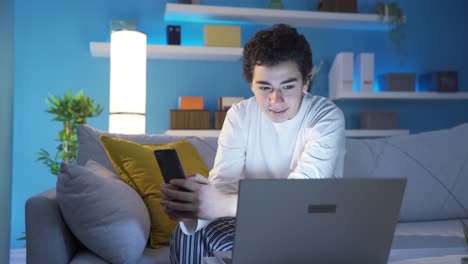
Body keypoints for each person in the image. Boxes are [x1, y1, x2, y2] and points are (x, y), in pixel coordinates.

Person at [160, 23, 346, 264]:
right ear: (251, 84)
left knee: (246, 241)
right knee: (186, 235)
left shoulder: (325, 116)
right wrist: (194, 207)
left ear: (306, 82)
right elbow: (224, 184)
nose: (275, 100)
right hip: (251, 220)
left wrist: (224, 204)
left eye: (288, 87)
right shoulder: (239, 115)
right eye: (264, 87)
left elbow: (302, 197)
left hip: (309, 224)